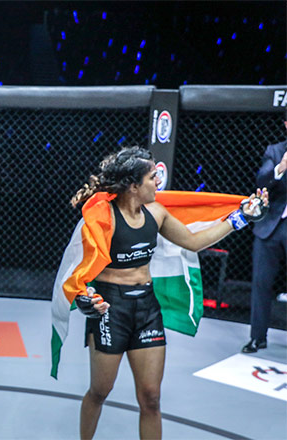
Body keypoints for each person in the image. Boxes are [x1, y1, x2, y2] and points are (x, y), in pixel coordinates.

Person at [68, 146, 268, 440]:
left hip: (147, 310)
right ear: (133, 186)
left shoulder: (157, 213)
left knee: (151, 398)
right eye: (152, 177)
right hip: (111, 310)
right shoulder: (102, 216)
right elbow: (82, 266)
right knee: (99, 391)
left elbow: (194, 241)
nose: (158, 182)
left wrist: (241, 218)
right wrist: (83, 296)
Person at [242, 111, 287, 353]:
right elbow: (262, 180)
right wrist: (281, 168)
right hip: (271, 226)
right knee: (261, 283)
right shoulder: (275, 151)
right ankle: (257, 337)